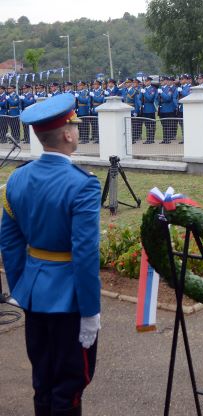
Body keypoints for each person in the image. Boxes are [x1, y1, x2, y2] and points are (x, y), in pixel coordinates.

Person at [0, 93, 101, 416]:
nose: (77, 131)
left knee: (42, 379)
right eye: (75, 125)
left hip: (33, 293)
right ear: (68, 134)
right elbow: (85, 255)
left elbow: (10, 242)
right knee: (70, 387)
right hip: (69, 300)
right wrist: (90, 311)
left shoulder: (17, 178)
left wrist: (20, 288)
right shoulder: (83, 185)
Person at [157, 76, 177, 144]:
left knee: (168, 125)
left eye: (162, 81)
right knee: (163, 125)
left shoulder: (169, 89)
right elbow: (156, 98)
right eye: (160, 81)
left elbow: (168, 98)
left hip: (168, 109)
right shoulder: (160, 89)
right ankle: (164, 139)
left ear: (166, 81)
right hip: (161, 108)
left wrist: (161, 93)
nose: (161, 82)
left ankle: (168, 139)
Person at [139, 77, 157, 144]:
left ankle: (151, 139)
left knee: (152, 125)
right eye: (144, 81)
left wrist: (145, 92)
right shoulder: (143, 89)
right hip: (144, 109)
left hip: (150, 108)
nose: (145, 82)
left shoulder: (153, 89)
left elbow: (150, 98)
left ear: (150, 82)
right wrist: (141, 104)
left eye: (146, 81)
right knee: (146, 125)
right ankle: (148, 139)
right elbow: (139, 98)